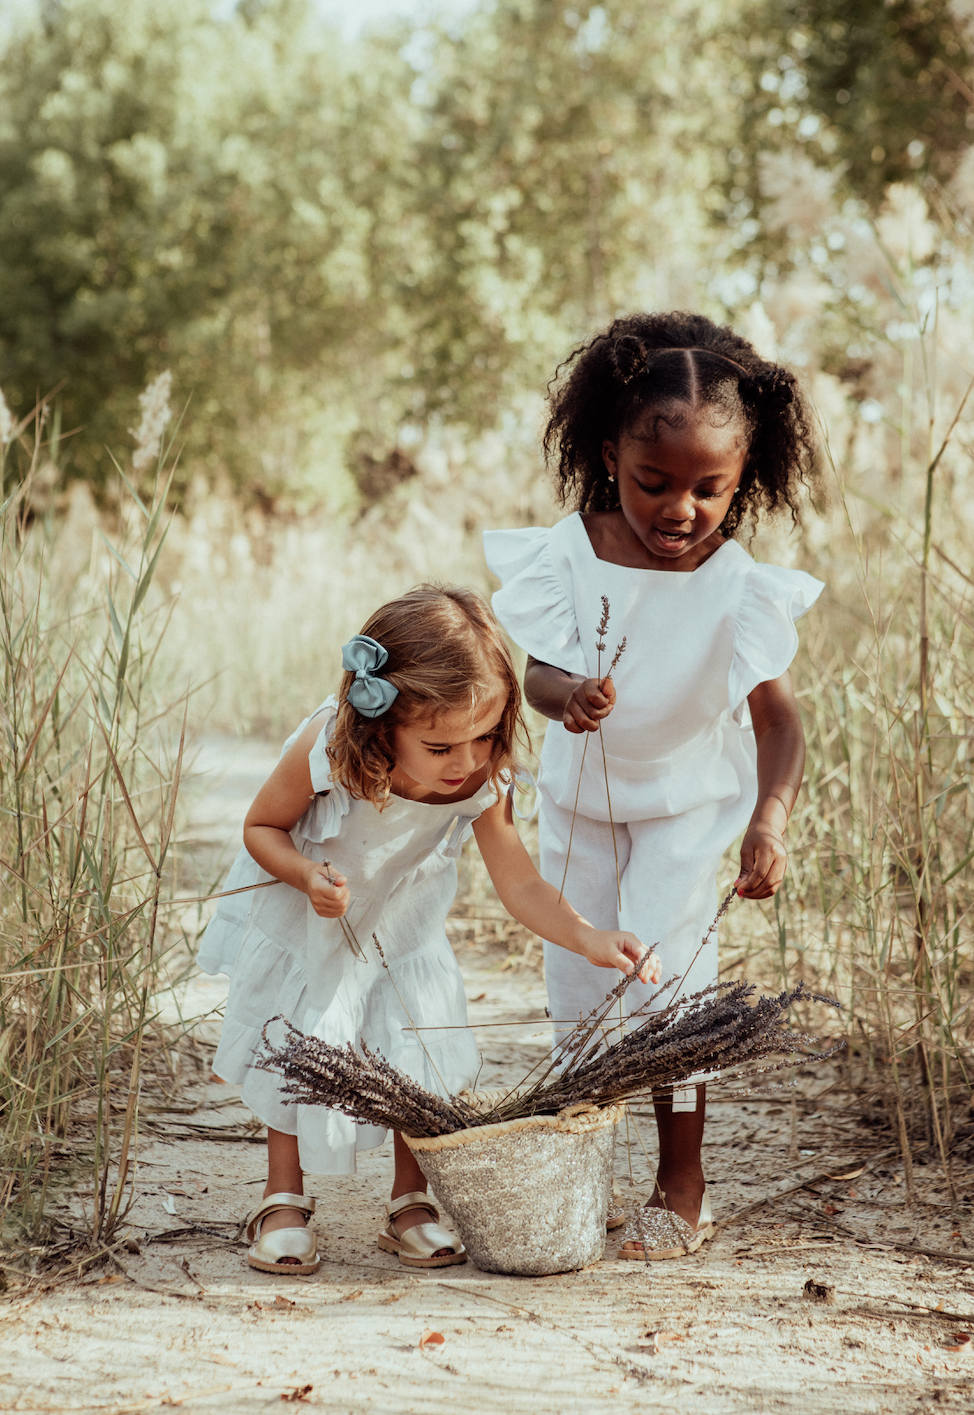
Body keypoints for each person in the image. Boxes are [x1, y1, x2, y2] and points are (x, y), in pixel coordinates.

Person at [483, 312, 823, 1260]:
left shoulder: (738, 584)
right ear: (607, 454)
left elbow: (778, 722)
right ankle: (579, 1180)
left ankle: (682, 1185)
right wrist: (566, 697)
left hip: (680, 807)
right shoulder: (571, 554)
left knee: (671, 986)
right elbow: (538, 671)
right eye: (654, 483)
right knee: (580, 984)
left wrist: (771, 817)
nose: (681, 509)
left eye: (710, 489)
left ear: (743, 477)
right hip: (583, 801)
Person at [197, 584, 660, 1276]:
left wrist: (589, 937)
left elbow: (521, 883)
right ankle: (283, 1198)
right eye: (441, 744)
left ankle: (410, 1202)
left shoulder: (480, 778)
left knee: (419, 1058)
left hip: (403, 931)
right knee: (293, 1050)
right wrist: (305, 877)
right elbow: (260, 827)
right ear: (382, 723)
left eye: (484, 736)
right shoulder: (327, 748)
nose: (466, 760)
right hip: (311, 919)